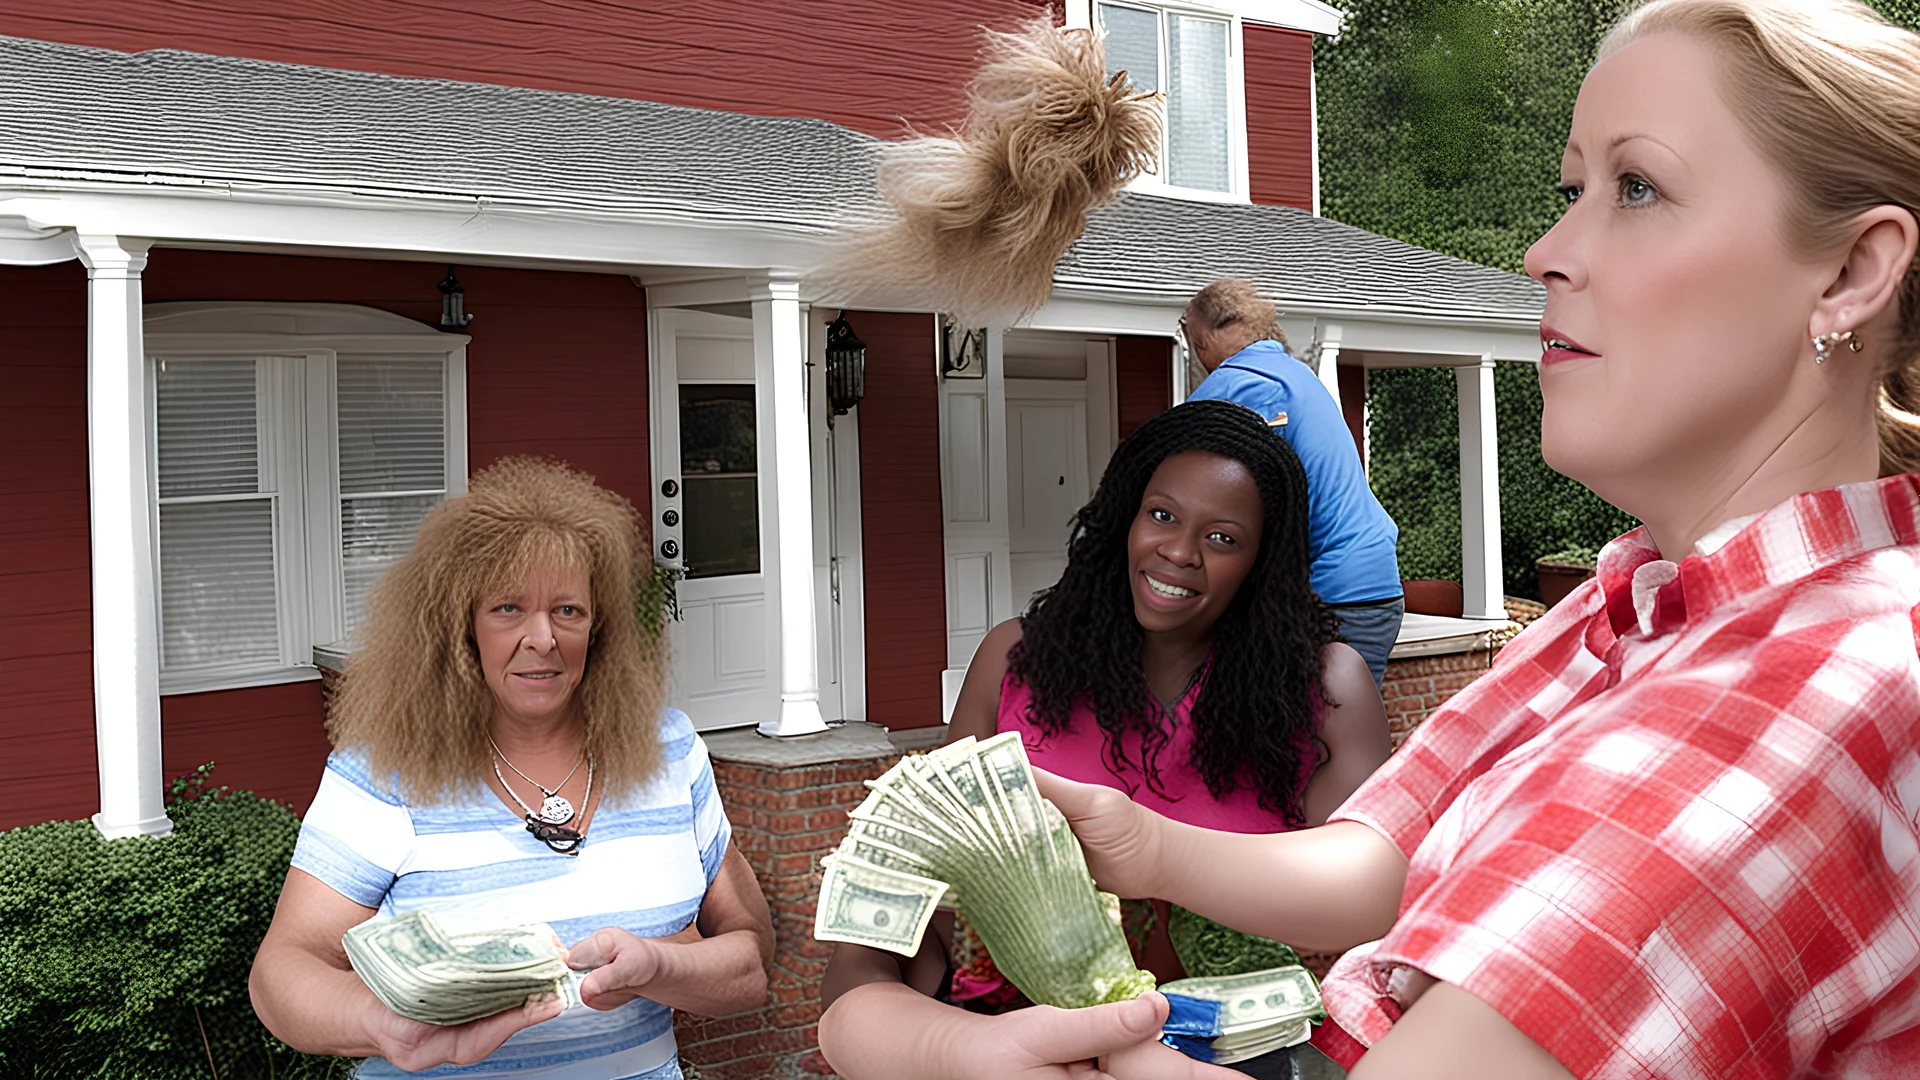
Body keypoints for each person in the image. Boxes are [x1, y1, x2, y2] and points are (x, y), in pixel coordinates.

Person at [1018, 0, 1920, 1076]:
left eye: (1637, 187)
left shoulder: (1810, 692)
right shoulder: (1617, 607)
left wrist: (1048, 1044)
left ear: (1851, 274)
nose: (1547, 250)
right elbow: (1391, 850)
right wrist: (1145, 843)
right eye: (1570, 190)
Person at [816, 399, 1392, 1079]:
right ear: (1124, 516)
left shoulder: (1329, 689)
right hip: (1017, 1053)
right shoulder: (1013, 662)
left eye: (1223, 538)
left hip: (1232, 1060)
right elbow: (908, 914)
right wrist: (897, 1023)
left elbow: (1373, 919)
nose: (1178, 551)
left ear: (1263, 559)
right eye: (1162, 515)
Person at [249, 458, 774, 1079]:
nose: (542, 637)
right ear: (461, 629)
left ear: (598, 629)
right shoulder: (383, 772)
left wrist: (661, 967)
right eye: (507, 608)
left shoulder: (671, 750)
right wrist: (384, 1025)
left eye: (568, 611)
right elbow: (282, 973)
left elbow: (750, 960)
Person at [1181, 281, 1405, 688]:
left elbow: (1219, 501)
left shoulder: (1237, 384)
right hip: (1376, 586)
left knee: (1305, 735)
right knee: (1348, 730)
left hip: (1333, 595)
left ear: (1202, 336)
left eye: (1193, 340)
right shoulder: (1294, 374)